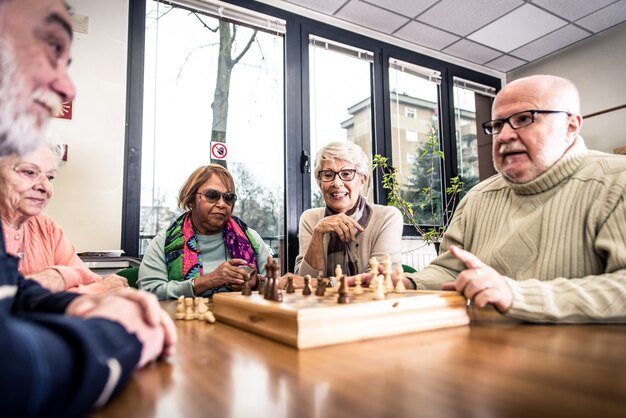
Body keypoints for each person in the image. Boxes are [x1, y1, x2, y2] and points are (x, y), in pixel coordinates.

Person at [0, 1, 176, 417]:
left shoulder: (45, 228)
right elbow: (13, 374)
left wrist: (75, 303)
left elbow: (15, 293)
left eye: (51, 177)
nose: (68, 88)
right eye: (45, 50)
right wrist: (122, 334)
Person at [405, 74, 626, 323]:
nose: (504, 136)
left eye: (524, 119)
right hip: (484, 351)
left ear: (571, 126)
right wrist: (408, 282)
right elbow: (450, 270)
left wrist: (517, 295)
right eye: (498, 125)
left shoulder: (618, 181)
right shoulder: (477, 197)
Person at [0, 142, 128, 293]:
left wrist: (60, 276)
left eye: (50, 177)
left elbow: (99, 282)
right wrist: (69, 282)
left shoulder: (46, 226)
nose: (45, 187)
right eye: (29, 172)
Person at [138, 164, 272, 300]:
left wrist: (255, 283)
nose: (222, 204)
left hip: (242, 316)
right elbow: (148, 291)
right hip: (184, 319)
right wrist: (206, 282)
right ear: (191, 200)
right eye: (212, 195)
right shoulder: (163, 242)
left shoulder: (251, 238)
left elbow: (275, 283)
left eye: (228, 198)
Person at [293, 141, 403, 284]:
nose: (337, 183)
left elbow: (378, 280)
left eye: (346, 174)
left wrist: (329, 283)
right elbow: (302, 282)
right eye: (328, 175)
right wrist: (318, 233)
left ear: (362, 179)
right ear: (320, 182)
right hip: (321, 306)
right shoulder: (310, 219)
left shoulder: (387, 217)